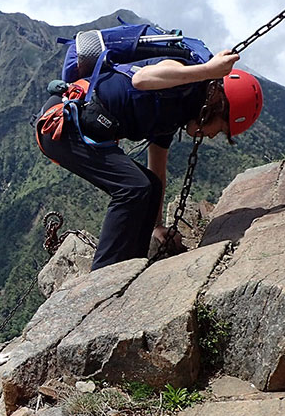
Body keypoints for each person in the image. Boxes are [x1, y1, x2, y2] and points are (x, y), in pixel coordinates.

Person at [36, 33, 263, 270]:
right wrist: (208, 70)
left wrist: (157, 226)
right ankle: (101, 277)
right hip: (61, 126)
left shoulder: (175, 111)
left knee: (149, 185)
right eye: (222, 128)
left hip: (76, 129)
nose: (214, 135)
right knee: (133, 188)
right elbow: (141, 79)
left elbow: (158, 171)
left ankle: (129, 267)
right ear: (217, 105)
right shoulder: (181, 75)